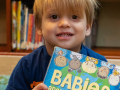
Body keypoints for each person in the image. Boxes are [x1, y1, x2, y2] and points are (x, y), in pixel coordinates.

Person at [6, 0, 107, 90]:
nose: (64, 23)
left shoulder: (100, 65)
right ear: (39, 27)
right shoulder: (27, 65)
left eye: (74, 17)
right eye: (54, 17)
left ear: (87, 27)